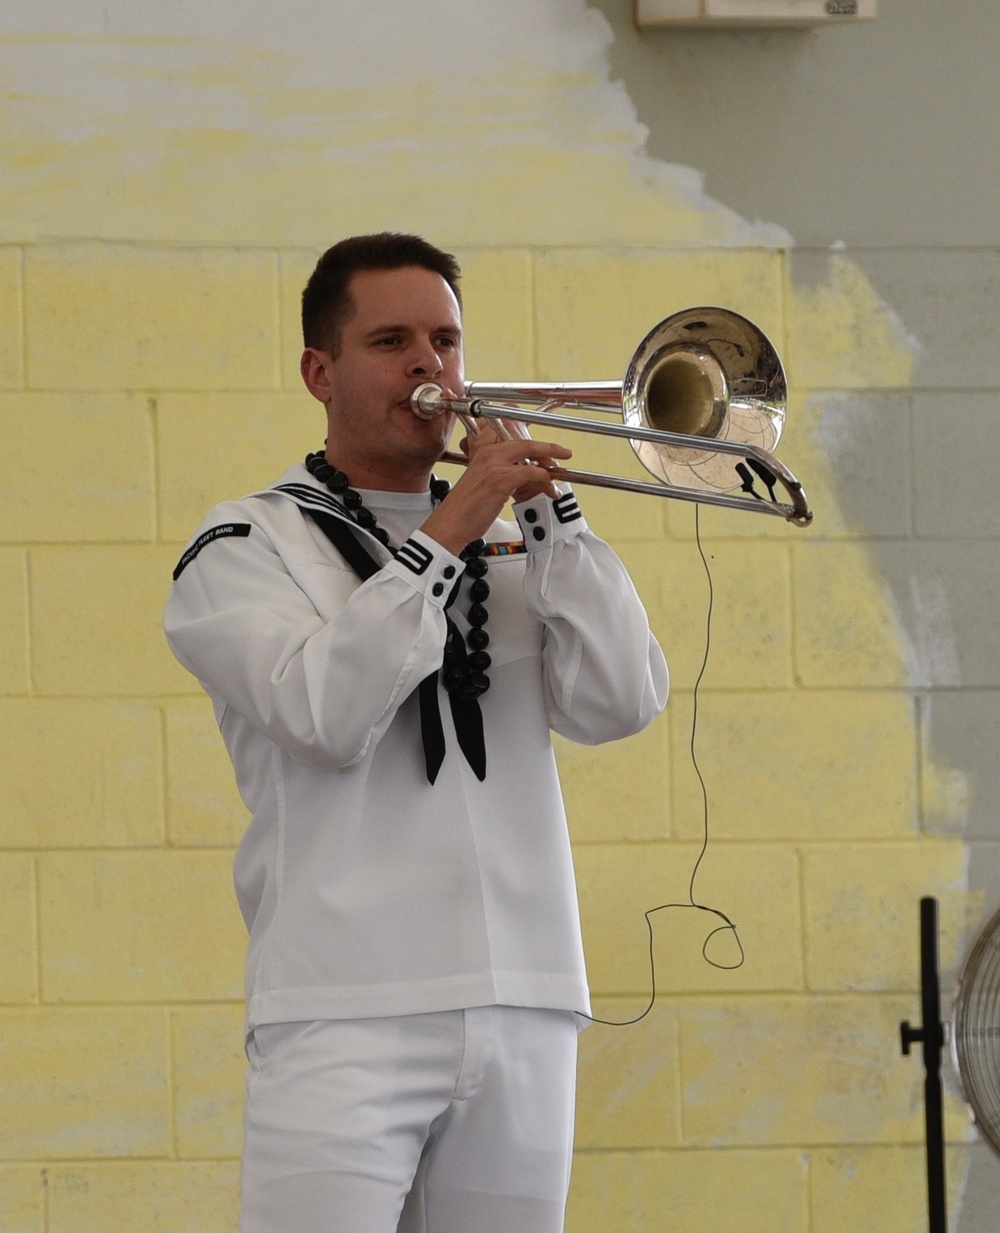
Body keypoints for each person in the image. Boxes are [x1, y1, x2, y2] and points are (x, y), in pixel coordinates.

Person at [163, 232, 668, 1233]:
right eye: (392, 340)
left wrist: (556, 514)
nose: (428, 368)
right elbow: (324, 716)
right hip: (344, 1001)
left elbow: (620, 701)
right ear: (321, 371)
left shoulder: (518, 540)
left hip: (525, 993)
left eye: (445, 341)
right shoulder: (245, 545)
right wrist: (452, 526)